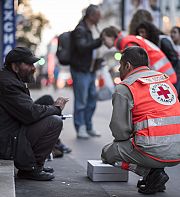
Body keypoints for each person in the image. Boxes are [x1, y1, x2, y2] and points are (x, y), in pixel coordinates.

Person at [101, 46, 180, 194]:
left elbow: (120, 133)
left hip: (151, 150)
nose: (119, 70)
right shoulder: (165, 81)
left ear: (127, 65)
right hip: (178, 150)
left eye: (120, 65)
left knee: (108, 153)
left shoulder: (125, 87)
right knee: (147, 142)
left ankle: (151, 173)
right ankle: (156, 174)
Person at [0, 47, 69, 181]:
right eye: (29, 64)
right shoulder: (8, 84)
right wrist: (55, 109)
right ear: (15, 66)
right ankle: (31, 168)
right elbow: (29, 113)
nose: (33, 68)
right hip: (6, 142)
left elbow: (27, 109)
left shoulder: (10, 79)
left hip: (12, 128)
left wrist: (51, 107)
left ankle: (38, 161)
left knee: (47, 101)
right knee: (54, 121)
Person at [100, 26, 177, 84]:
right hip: (164, 76)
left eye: (104, 39)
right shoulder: (128, 40)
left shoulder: (127, 43)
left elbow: (136, 69)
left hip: (163, 77)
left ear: (112, 36)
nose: (104, 43)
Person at [70, 4, 102, 139]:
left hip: (90, 70)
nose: (100, 17)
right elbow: (82, 47)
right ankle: (80, 127)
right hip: (80, 70)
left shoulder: (93, 28)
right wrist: (99, 41)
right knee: (81, 101)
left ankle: (88, 126)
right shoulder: (80, 29)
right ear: (91, 15)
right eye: (98, 15)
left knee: (92, 99)